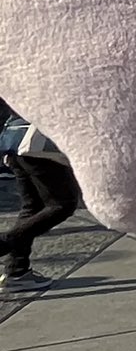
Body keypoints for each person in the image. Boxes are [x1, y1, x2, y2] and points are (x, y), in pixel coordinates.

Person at [2, 117, 81, 291]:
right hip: (39, 146)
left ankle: (17, 271)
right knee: (62, 204)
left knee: (32, 207)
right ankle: (5, 246)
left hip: (15, 141)